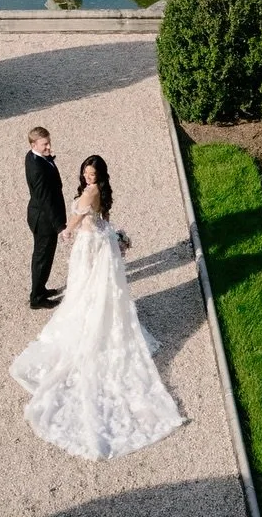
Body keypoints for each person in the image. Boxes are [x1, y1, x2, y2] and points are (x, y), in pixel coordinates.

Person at [10, 154, 184, 461]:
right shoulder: (98, 189)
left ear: (98, 175)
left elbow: (80, 217)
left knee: (87, 290)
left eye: (92, 174)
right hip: (97, 241)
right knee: (90, 290)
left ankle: (91, 325)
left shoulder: (91, 193)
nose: (88, 178)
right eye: (85, 173)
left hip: (90, 247)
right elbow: (101, 219)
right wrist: (115, 237)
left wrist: (66, 230)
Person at [24, 125, 65, 311]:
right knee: (43, 257)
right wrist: (59, 226)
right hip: (44, 220)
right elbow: (46, 200)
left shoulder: (33, 156)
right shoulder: (37, 168)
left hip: (40, 215)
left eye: (49, 142)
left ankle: (40, 288)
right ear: (34, 144)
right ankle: (37, 298)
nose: (49, 147)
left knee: (43, 256)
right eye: (44, 144)